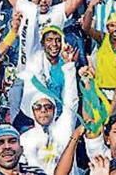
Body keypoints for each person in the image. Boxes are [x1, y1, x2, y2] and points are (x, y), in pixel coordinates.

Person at [19, 45, 78, 173]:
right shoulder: (24, 139)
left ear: (54, 109)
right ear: (32, 111)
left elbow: (71, 101)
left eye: (48, 107)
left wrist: (69, 67)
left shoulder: (64, 127)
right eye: (38, 107)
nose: (43, 111)